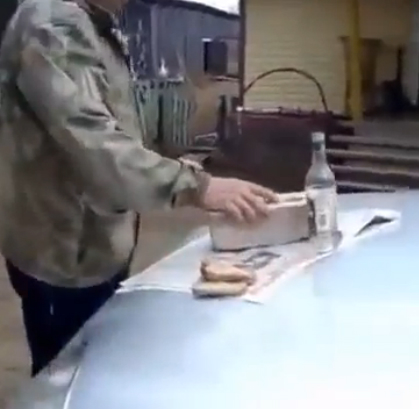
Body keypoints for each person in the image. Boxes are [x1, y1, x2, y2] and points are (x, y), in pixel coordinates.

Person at [0, 0, 276, 376]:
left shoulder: (96, 24)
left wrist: (170, 168)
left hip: (95, 237)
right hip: (63, 251)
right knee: (69, 378)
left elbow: (116, 127)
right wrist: (196, 186)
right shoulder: (52, 24)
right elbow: (94, 142)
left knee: (101, 360)